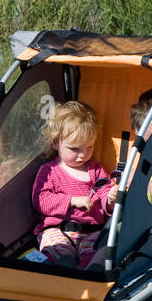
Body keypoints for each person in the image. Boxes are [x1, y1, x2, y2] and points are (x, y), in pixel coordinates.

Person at [31, 101, 118, 268]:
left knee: (97, 250)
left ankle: (87, 271)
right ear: (56, 143)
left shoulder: (96, 170)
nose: (82, 155)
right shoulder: (50, 171)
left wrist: (110, 199)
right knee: (55, 246)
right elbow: (40, 200)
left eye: (89, 147)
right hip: (58, 228)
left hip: (91, 231)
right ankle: (64, 266)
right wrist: (72, 200)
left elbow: (104, 191)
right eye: (75, 149)